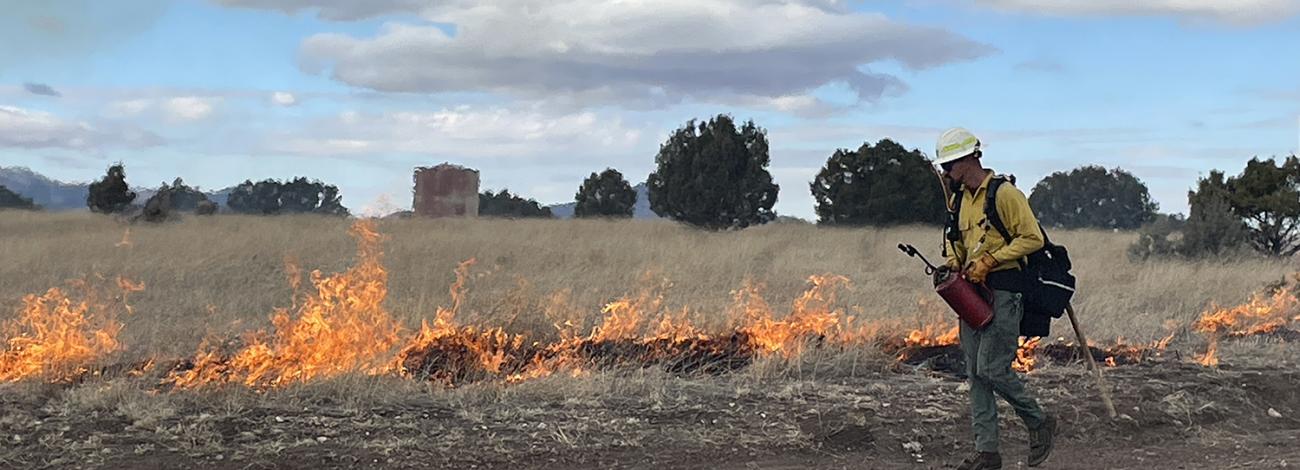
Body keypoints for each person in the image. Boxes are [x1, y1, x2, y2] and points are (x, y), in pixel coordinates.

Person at [934, 127, 1056, 470]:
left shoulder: (1004, 194)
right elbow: (957, 244)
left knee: (991, 368)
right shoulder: (959, 201)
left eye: (949, 166)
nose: (946, 173)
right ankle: (987, 454)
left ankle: (1038, 421)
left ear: (968, 159)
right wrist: (953, 266)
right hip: (969, 294)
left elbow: (1032, 238)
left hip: (1003, 291)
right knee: (975, 373)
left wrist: (990, 260)